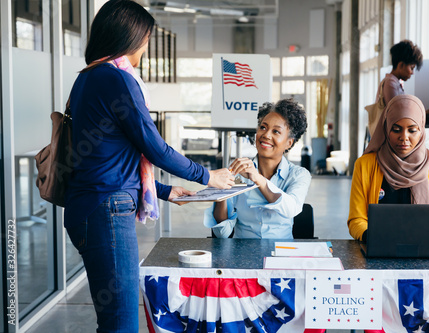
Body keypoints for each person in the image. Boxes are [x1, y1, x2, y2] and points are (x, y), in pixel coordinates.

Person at [63, 1, 234, 332]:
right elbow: (155, 147)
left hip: (93, 207)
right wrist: (208, 175)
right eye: (146, 37)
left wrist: (167, 191)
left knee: (114, 321)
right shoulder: (116, 80)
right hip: (106, 209)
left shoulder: (87, 78)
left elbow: (109, 155)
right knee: (122, 323)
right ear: (129, 36)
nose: (146, 45)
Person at [348, 94, 429, 242]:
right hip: (379, 247)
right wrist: (373, 237)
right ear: (386, 129)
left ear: (421, 131)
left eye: (412, 130)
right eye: (396, 129)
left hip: (426, 250)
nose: (404, 137)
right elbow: (356, 219)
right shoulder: (365, 165)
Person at [204, 98, 312, 239]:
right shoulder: (238, 171)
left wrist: (258, 179)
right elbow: (222, 234)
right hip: (243, 254)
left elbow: (291, 209)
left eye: (276, 132)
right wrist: (221, 193)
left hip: (282, 254)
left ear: (289, 143)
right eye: (263, 127)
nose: (266, 135)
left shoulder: (299, 175)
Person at [367, 40, 423, 137]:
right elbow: (397, 114)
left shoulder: (394, 82)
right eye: (411, 67)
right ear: (401, 65)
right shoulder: (390, 83)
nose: (412, 72)